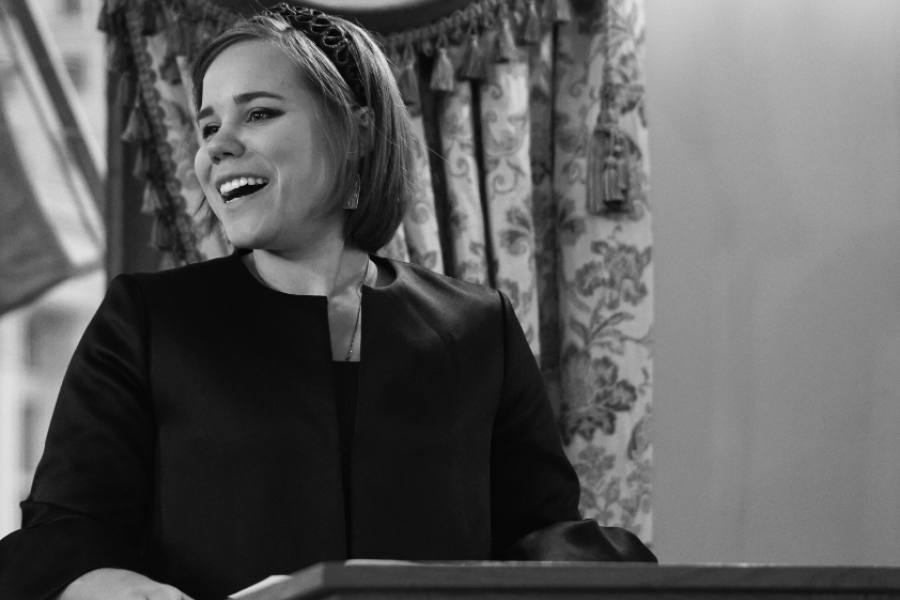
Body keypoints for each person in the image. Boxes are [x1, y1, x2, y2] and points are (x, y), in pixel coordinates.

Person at [0, 5, 656, 600]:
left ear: (358, 129)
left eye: (259, 113)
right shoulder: (146, 320)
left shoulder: (478, 326)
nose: (217, 145)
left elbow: (540, 531)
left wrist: (621, 573)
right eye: (208, 125)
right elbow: (65, 532)